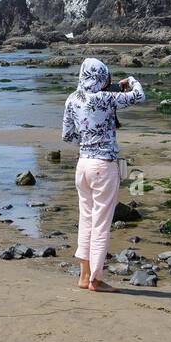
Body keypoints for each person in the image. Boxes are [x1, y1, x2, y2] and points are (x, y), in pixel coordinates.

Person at [61, 57, 145, 291]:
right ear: (101, 77)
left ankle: (83, 275)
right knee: (101, 225)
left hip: (83, 165)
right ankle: (96, 280)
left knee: (86, 220)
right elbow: (139, 95)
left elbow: (67, 136)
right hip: (103, 165)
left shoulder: (72, 99)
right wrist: (130, 80)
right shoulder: (106, 98)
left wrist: (87, 140)